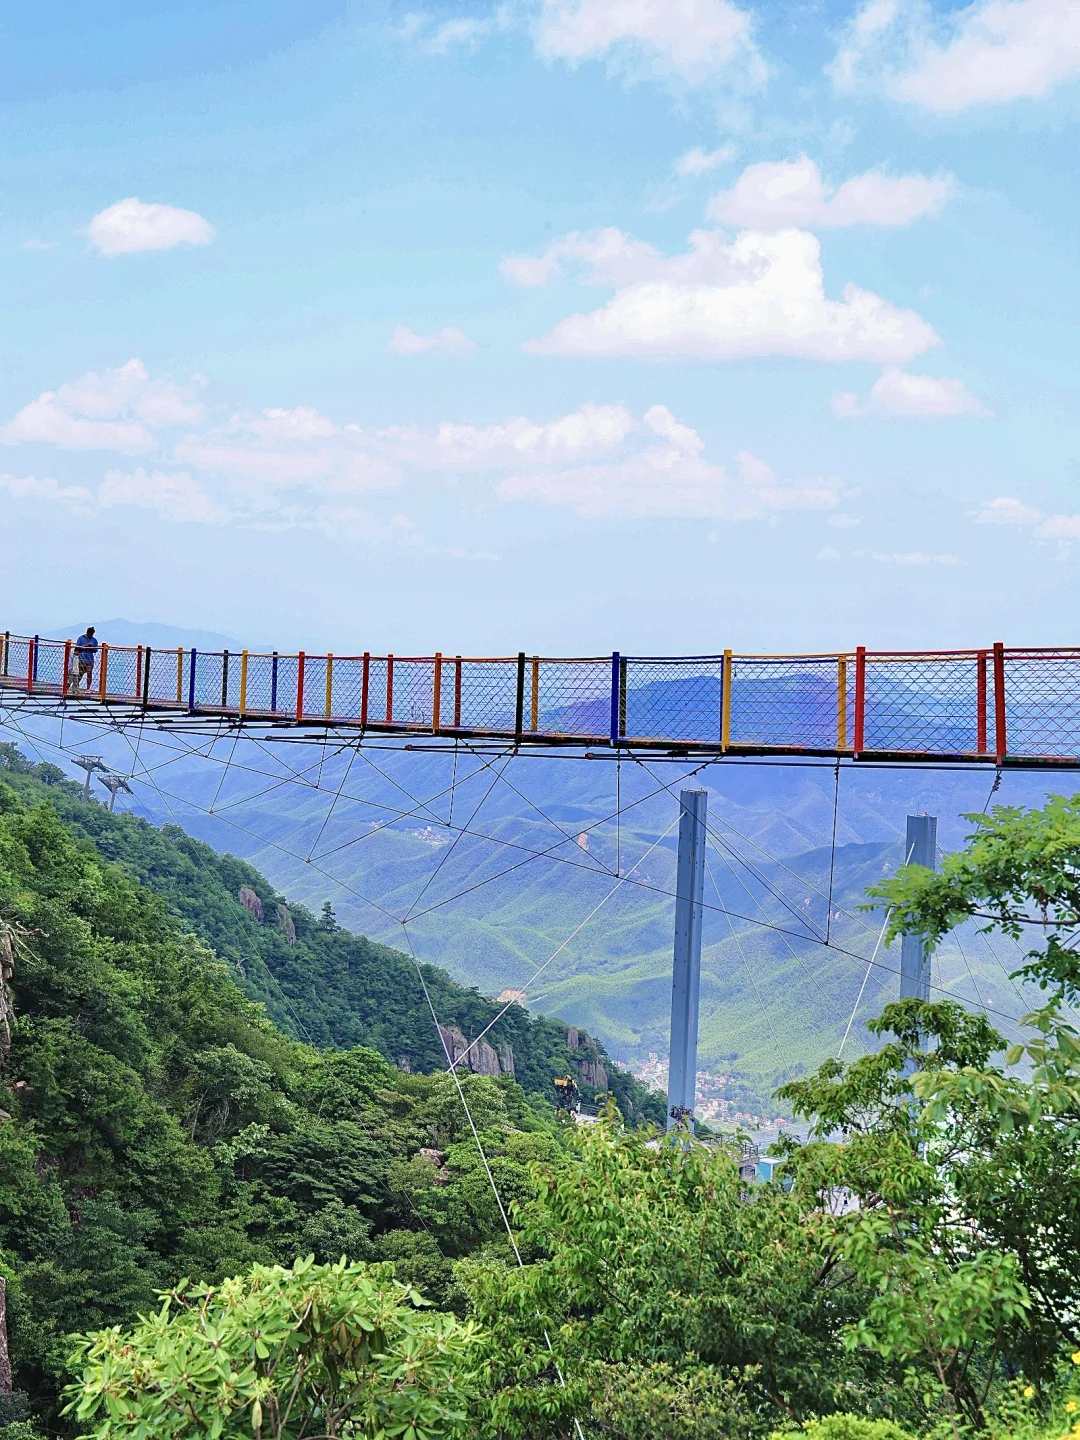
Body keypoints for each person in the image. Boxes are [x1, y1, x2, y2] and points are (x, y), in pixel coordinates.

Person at [74, 626, 99, 690]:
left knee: (89, 674)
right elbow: (77, 648)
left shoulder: (94, 640)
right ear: (87, 632)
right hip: (82, 659)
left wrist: (91, 647)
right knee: (79, 674)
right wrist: (85, 646)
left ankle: (88, 688)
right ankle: (76, 686)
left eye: (92, 634)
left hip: (90, 659)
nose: (90, 635)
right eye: (89, 634)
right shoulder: (81, 638)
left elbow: (95, 650)